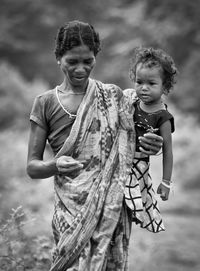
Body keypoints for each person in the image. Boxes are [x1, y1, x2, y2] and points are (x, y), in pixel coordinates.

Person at [26, 21, 163, 271]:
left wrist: (153, 145)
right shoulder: (45, 102)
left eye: (88, 61)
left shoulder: (112, 97)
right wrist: (55, 165)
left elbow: (130, 143)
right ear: (58, 58)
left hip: (110, 208)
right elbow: (33, 167)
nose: (81, 69)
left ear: (95, 57)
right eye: (72, 61)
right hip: (70, 210)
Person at [124, 47, 177, 232]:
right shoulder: (130, 104)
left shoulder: (163, 116)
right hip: (120, 163)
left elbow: (168, 150)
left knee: (134, 202)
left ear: (164, 86)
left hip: (139, 166)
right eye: (139, 82)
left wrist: (166, 182)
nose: (143, 88)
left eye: (151, 83)